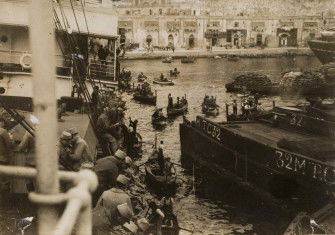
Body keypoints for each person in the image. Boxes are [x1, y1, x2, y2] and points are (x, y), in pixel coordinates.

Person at [0, 117, 13, 192]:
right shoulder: (3, 131)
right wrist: (10, 137)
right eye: (4, 123)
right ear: (1, 122)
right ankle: (6, 201)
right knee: (5, 181)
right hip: (3, 159)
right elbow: (10, 145)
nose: (4, 124)